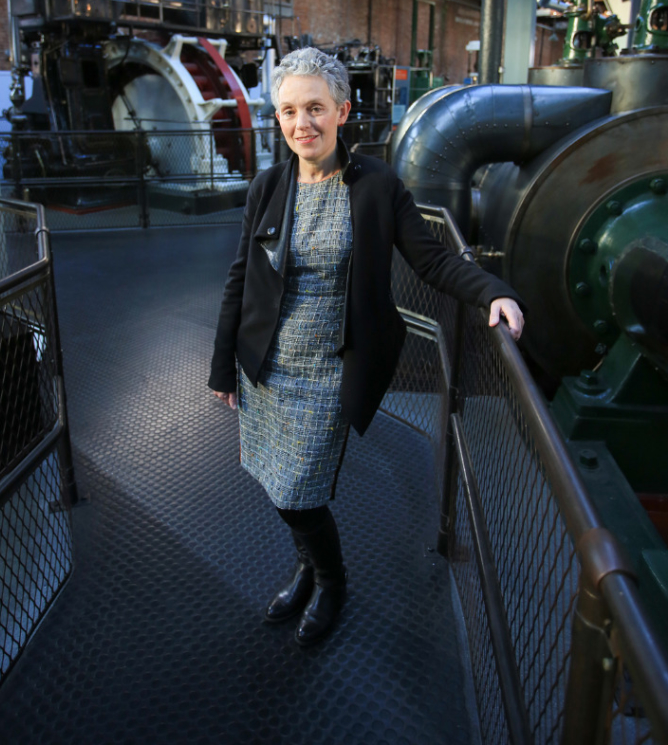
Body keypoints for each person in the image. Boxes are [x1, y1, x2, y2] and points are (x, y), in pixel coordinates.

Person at [209, 47, 524, 647]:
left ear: (343, 111)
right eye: (289, 111)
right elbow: (240, 279)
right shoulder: (268, 186)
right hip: (266, 366)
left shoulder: (376, 186)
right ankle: (307, 567)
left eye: (315, 108)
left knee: (300, 492)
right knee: (278, 485)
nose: (302, 123)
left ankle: (331, 581)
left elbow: (431, 259)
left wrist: (493, 291)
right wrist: (223, 366)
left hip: (331, 370)